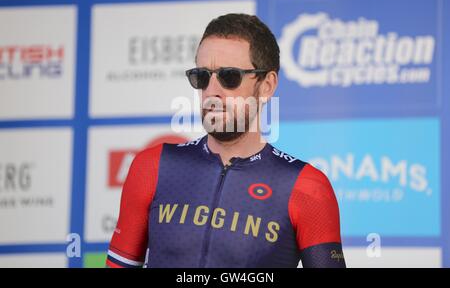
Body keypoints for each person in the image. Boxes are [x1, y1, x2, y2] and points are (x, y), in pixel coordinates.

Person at [106, 13, 346, 268]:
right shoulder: (152, 166)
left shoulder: (307, 188)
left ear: (266, 85)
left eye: (229, 76)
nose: (211, 91)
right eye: (202, 76)